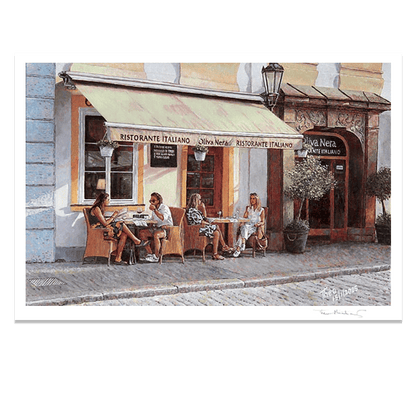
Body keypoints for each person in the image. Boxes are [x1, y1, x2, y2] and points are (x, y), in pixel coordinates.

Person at [88, 192, 146, 265]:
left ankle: (118, 258)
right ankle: (136, 240)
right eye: (108, 199)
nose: (109, 201)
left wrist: (114, 218)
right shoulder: (96, 209)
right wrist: (114, 216)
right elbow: (105, 223)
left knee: (124, 234)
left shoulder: (100, 208)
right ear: (103, 200)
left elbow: (104, 222)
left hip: (103, 229)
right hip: (100, 232)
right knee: (121, 224)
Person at [186, 193, 231, 260]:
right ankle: (223, 247)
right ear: (196, 200)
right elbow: (199, 222)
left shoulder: (196, 210)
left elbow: (204, 218)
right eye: (199, 199)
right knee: (216, 227)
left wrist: (203, 208)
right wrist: (208, 224)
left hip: (200, 228)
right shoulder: (192, 211)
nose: (200, 201)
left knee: (216, 233)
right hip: (196, 229)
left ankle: (216, 253)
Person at [138, 192, 173, 263]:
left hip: (166, 229)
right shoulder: (154, 209)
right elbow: (153, 220)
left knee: (156, 234)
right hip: (157, 227)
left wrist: (154, 210)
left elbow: (163, 218)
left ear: (159, 201)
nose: (151, 203)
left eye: (153, 201)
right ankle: (150, 254)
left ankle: (156, 256)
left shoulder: (164, 208)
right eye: (150, 201)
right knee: (142, 233)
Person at [233, 192, 265, 257]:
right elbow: (244, 218)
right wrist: (242, 222)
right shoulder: (248, 208)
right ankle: (242, 245)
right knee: (244, 227)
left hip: (254, 226)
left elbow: (263, 222)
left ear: (257, 200)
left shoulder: (261, 210)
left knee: (242, 232)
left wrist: (258, 224)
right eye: (251, 198)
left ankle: (238, 249)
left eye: (253, 198)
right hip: (247, 225)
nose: (252, 200)